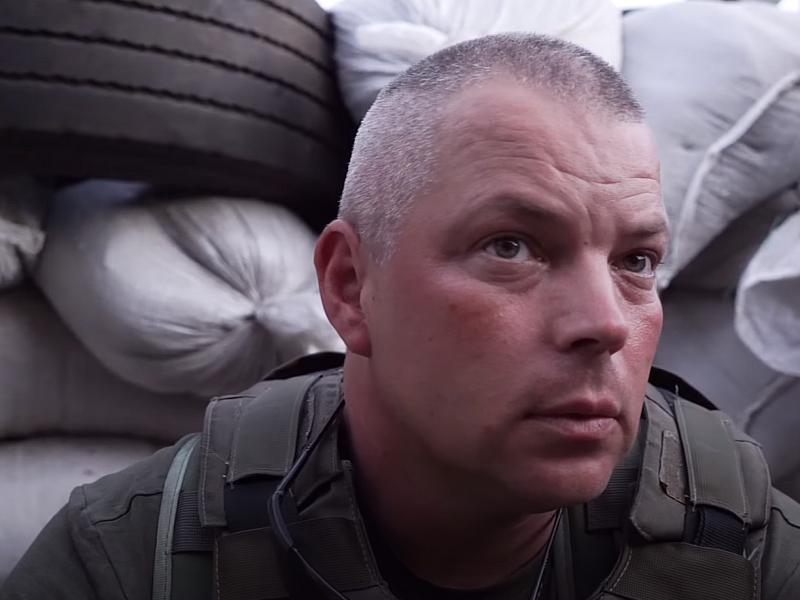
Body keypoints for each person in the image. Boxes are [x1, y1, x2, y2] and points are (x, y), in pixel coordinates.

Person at [3, 33, 800, 600]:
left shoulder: (735, 540)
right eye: (512, 247)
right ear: (351, 287)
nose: (606, 324)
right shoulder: (130, 561)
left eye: (637, 261)